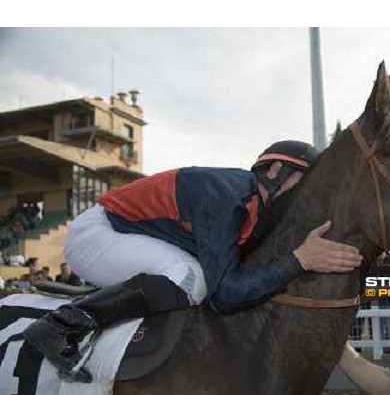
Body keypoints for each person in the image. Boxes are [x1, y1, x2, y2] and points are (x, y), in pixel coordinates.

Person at [23, 141, 363, 382]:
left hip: (130, 237)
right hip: (97, 234)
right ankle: (63, 325)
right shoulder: (228, 195)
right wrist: (299, 260)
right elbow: (224, 295)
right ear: (275, 169)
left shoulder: (255, 209)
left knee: (194, 277)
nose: (303, 197)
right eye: (302, 183)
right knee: (192, 278)